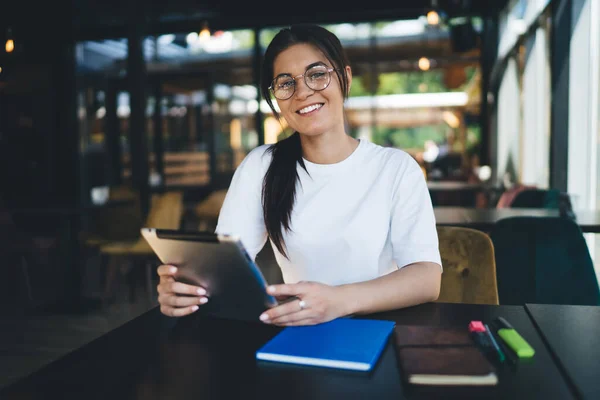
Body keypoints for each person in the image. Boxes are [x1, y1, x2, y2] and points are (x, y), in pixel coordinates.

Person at [156, 24, 442, 325]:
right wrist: (187, 289)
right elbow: (225, 269)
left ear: (345, 77)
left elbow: (426, 278)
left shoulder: (396, 168)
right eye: (286, 83)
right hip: (298, 331)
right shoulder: (262, 166)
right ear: (276, 98)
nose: (303, 91)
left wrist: (338, 302)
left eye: (317, 74)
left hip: (377, 329)